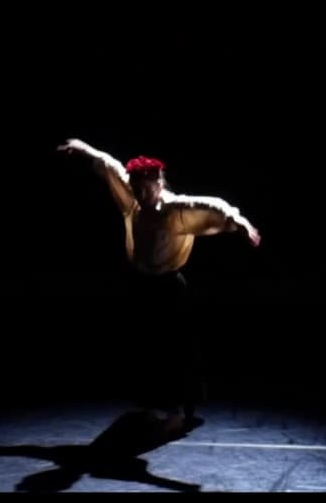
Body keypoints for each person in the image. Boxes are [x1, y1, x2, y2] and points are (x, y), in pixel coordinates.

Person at [56, 138, 260, 433]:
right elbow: (108, 163)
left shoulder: (174, 209)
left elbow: (213, 205)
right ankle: (155, 405)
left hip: (168, 287)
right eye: (136, 188)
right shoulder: (132, 198)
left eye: (144, 189)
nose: (138, 193)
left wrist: (240, 223)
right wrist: (82, 148)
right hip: (142, 283)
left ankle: (178, 411)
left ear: (158, 184)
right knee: (147, 347)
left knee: (174, 348)